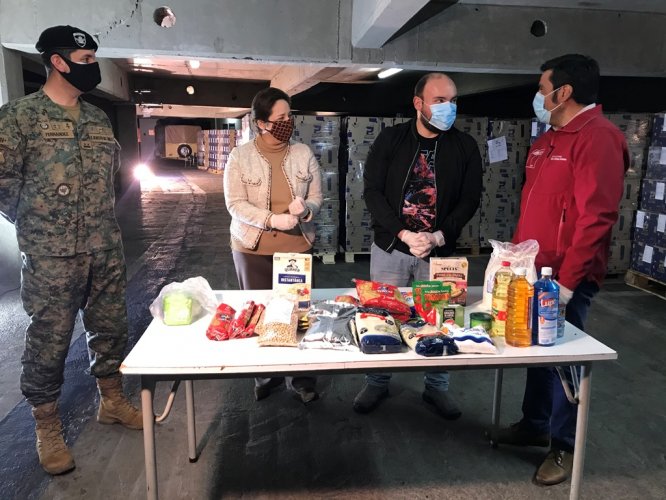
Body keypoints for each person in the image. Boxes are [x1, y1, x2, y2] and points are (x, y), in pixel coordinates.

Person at [0, 25, 143, 475]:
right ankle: (46, 426)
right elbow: (3, 186)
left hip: (104, 246)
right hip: (51, 255)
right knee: (50, 341)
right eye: (83, 61)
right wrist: (40, 225)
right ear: (57, 61)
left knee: (111, 328)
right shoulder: (17, 118)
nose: (92, 68)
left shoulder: (98, 121)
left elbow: (112, 178)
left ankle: (113, 401)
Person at [492, 54, 628, 486]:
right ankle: (535, 425)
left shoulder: (598, 139)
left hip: (565, 279)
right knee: (538, 356)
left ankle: (565, 446)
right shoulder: (550, 138)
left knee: (566, 362)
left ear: (562, 92)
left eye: (542, 86)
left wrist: (567, 284)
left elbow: (596, 218)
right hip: (533, 272)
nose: (538, 95)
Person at [356, 73, 482, 418]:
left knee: (442, 320)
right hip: (392, 249)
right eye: (440, 101)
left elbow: (470, 198)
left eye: (453, 100)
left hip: (441, 253)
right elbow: (372, 192)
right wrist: (403, 234)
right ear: (418, 104)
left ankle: (437, 387)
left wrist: (440, 235)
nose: (448, 108)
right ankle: (377, 381)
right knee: (382, 313)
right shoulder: (391, 140)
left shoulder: (464, 146)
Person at [223, 87, 323, 404]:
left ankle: (301, 376)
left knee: (298, 314)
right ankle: (266, 374)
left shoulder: (303, 154)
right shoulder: (240, 157)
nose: (287, 122)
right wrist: (270, 220)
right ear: (262, 123)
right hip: (252, 249)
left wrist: (306, 210)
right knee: (261, 315)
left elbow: (318, 197)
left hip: (296, 248)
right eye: (280, 118)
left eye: (289, 116)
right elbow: (235, 204)